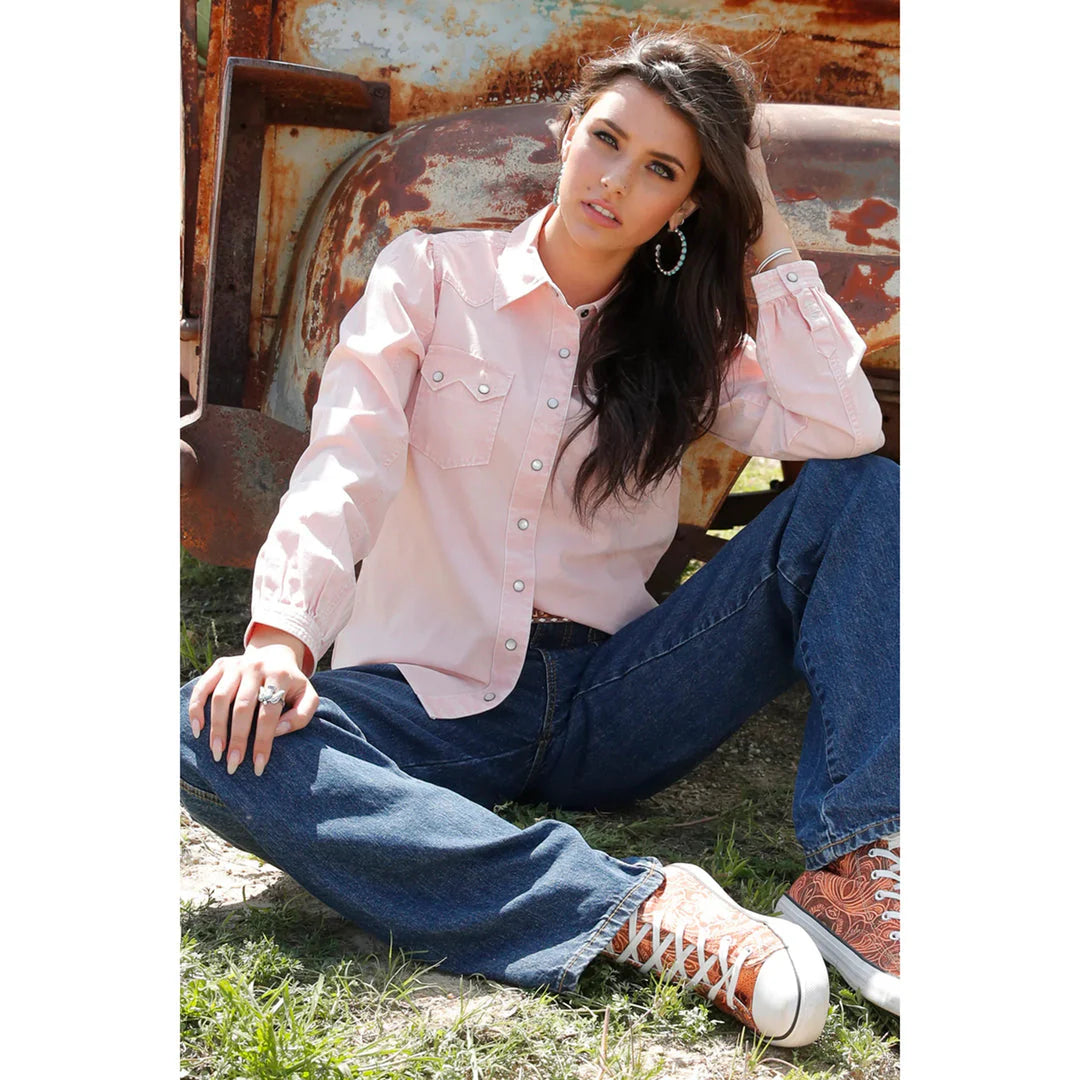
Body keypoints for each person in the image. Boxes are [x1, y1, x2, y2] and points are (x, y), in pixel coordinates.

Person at [180, 30, 899, 1048]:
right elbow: (348, 459)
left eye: (661, 170)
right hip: (434, 693)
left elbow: (843, 431)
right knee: (204, 733)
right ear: (566, 133)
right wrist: (280, 640)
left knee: (863, 494)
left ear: (684, 207)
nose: (616, 180)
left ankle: (860, 868)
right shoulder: (427, 276)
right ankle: (642, 912)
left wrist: (768, 230)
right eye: (606, 139)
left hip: (619, 695)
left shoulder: (687, 340)